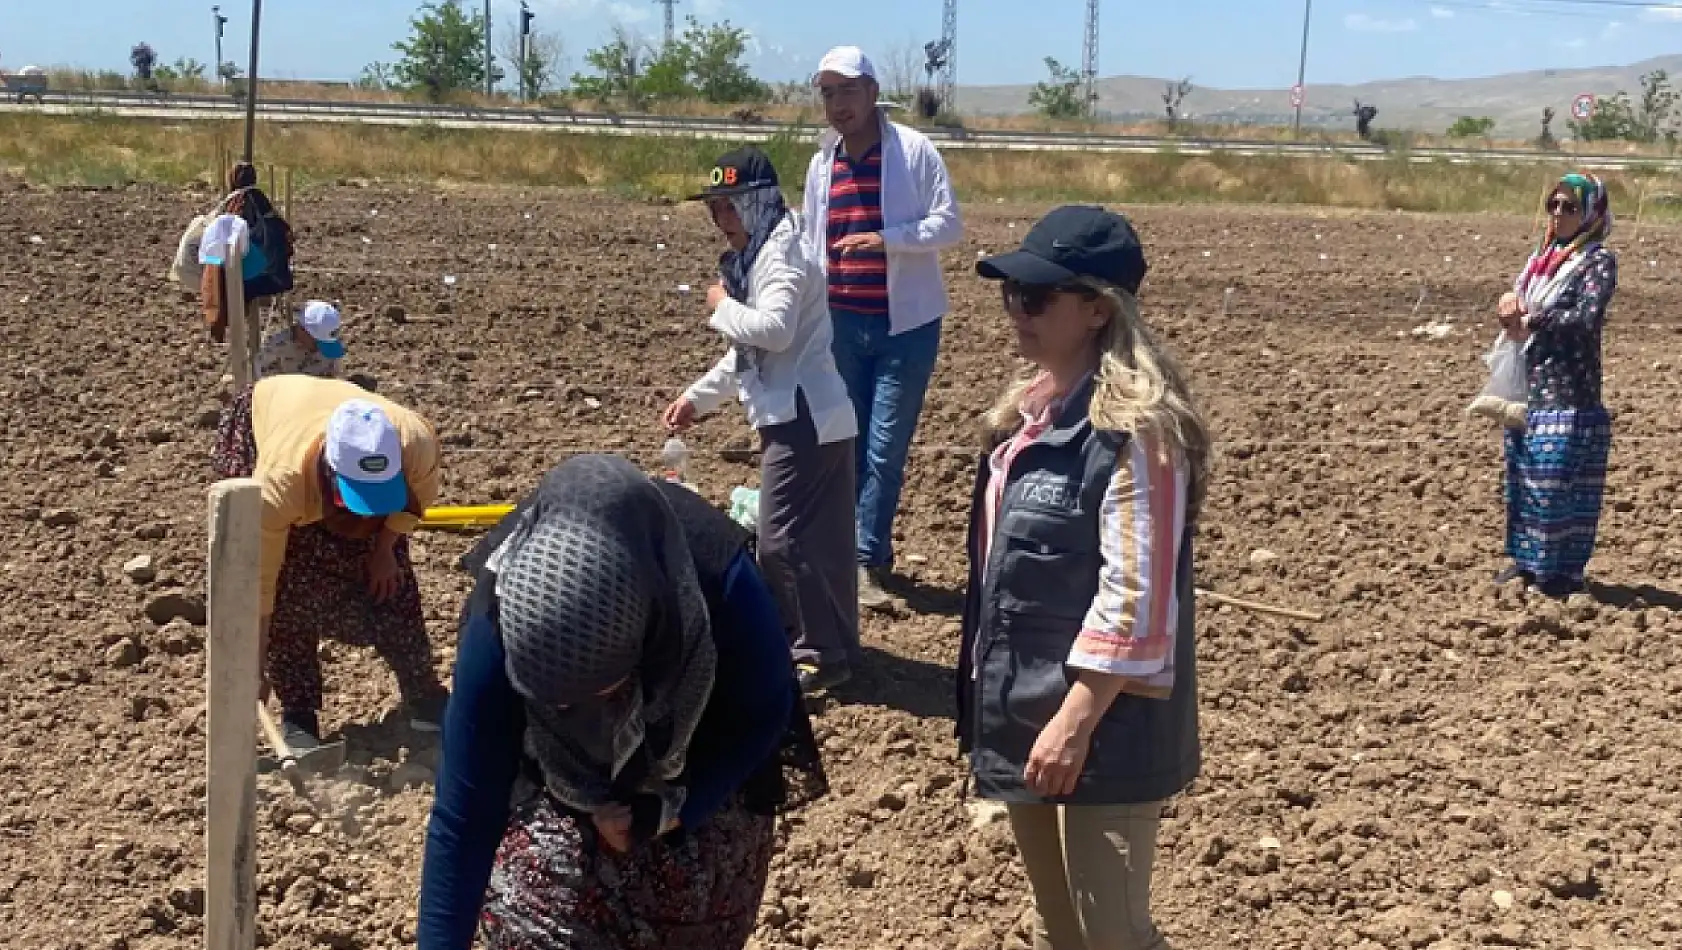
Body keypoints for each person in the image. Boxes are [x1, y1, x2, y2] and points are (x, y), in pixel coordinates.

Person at [417, 454, 825, 950]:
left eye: (602, 692)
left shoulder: (722, 583)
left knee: (690, 912)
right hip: (557, 786)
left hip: (701, 767)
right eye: (557, 707)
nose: (584, 719)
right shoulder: (498, 620)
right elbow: (465, 812)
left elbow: (759, 717)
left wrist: (672, 811)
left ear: (644, 641)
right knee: (533, 917)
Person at [959, 206, 1209, 950]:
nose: (1017, 311)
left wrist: (1073, 722)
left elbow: (1134, 596)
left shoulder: (1140, 434)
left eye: (1036, 298)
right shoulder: (1028, 422)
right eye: (1011, 294)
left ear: (1098, 310)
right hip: (1027, 714)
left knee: (1113, 936)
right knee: (1056, 926)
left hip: (1099, 729)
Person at [662, 146, 860, 694]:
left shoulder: (783, 253)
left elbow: (773, 331)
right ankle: (833, 646)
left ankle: (812, 649)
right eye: (714, 210)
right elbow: (749, 354)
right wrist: (697, 400)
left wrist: (719, 305)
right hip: (805, 414)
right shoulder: (761, 255)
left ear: (756, 203)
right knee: (819, 542)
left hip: (804, 417)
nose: (720, 221)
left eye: (728, 207)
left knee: (782, 542)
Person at [803, 45, 964, 611]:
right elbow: (810, 242)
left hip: (906, 326)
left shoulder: (914, 152)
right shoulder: (823, 163)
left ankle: (869, 562)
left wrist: (886, 238)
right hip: (842, 322)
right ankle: (843, 556)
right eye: (827, 93)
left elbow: (949, 224)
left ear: (872, 94)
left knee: (884, 449)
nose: (837, 104)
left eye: (846, 91)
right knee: (844, 442)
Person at [211, 374, 449, 749]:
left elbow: (416, 502)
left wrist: (385, 548)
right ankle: (299, 714)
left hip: (319, 430)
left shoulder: (415, 444)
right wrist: (253, 666)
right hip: (269, 420)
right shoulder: (279, 485)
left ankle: (422, 694)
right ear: (331, 470)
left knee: (394, 584)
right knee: (291, 590)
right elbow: (260, 580)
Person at [1495, 172, 1617, 599]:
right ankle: (1526, 565)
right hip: (1533, 384)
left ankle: (1560, 575)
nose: (1559, 214)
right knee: (1523, 478)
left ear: (1591, 213)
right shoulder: (1542, 260)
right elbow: (1522, 303)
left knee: (1559, 484)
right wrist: (1510, 307)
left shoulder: (1597, 261)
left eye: (1570, 207)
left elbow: (1585, 317)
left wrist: (1533, 320)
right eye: (1554, 205)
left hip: (1570, 389)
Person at [256, 300, 346, 380]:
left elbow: (334, 376)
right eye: (317, 342)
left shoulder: (331, 343)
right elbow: (268, 388)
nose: (319, 349)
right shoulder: (274, 350)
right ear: (302, 331)